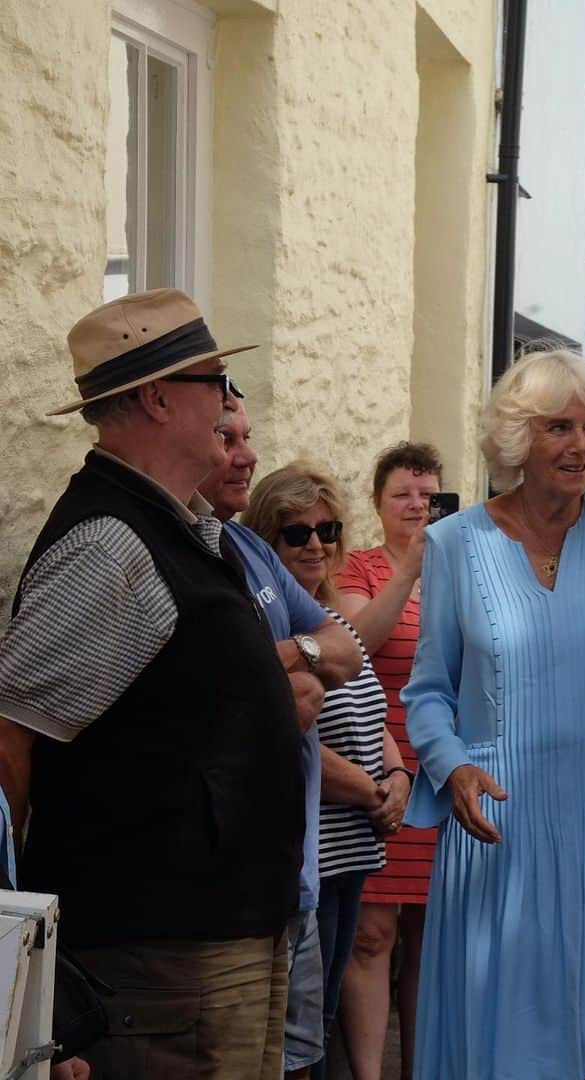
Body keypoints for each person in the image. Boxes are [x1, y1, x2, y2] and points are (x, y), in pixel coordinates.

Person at [0, 288, 305, 1077]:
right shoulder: (111, 542)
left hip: (215, 939)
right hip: (162, 954)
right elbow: (11, 735)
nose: (230, 402)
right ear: (157, 397)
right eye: (216, 381)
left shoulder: (180, 525)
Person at [402, 349, 585, 1080]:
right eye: (559, 426)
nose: (582, 445)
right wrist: (452, 765)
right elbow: (429, 689)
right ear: (516, 439)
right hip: (501, 827)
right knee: (506, 1047)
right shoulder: (454, 543)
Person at [198, 402, 365, 1079]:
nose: (245, 454)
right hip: (235, 878)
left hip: (297, 871)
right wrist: (296, 667)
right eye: (224, 438)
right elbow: (234, 693)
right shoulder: (181, 554)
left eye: (329, 530)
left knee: (304, 1053)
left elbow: (345, 652)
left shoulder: (249, 550)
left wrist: (287, 655)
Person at [244, 464, 409, 1080]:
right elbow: (302, 741)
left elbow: (374, 713)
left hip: (356, 843)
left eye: (327, 529)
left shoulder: (331, 621)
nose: (316, 543)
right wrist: (374, 791)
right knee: (305, 1028)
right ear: (268, 540)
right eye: (297, 533)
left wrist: (399, 779)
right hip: (317, 849)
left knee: (327, 1010)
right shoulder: (275, 627)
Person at [333, 442, 444, 1080]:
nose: (416, 505)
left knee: (430, 944)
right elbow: (358, 644)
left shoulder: (462, 566)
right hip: (381, 764)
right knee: (373, 935)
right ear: (378, 502)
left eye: (428, 494)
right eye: (403, 492)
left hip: (442, 770)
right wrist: (409, 573)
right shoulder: (361, 571)